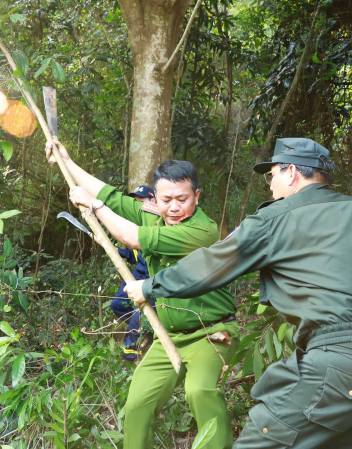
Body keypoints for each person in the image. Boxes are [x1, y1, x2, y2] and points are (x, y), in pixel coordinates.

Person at [125, 138, 352, 448]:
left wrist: (149, 286)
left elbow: (212, 264)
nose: (269, 184)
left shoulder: (276, 217)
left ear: (292, 172)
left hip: (335, 368)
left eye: (272, 173)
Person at [45, 139, 238, 449]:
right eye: (166, 200)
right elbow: (110, 195)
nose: (174, 208)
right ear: (156, 198)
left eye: (182, 199)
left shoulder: (201, 231)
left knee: (199, 391)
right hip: (168, 335)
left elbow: (130, 236)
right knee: (137, 407)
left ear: (197, 197)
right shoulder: (155, 211)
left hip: (209, 332)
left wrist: (95, 207)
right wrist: (67, 161)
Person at [111, 186, 155, 362]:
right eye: (136, 202)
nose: (139, 205)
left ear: (153, 201)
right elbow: (135, 255)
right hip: (139, 272)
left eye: (142, 201)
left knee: (141, 311)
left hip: (153, 276)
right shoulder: (136, 225)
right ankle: (147, 326)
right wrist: (117, 251)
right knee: (118, 304)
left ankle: (130, 350)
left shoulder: (159, 222)